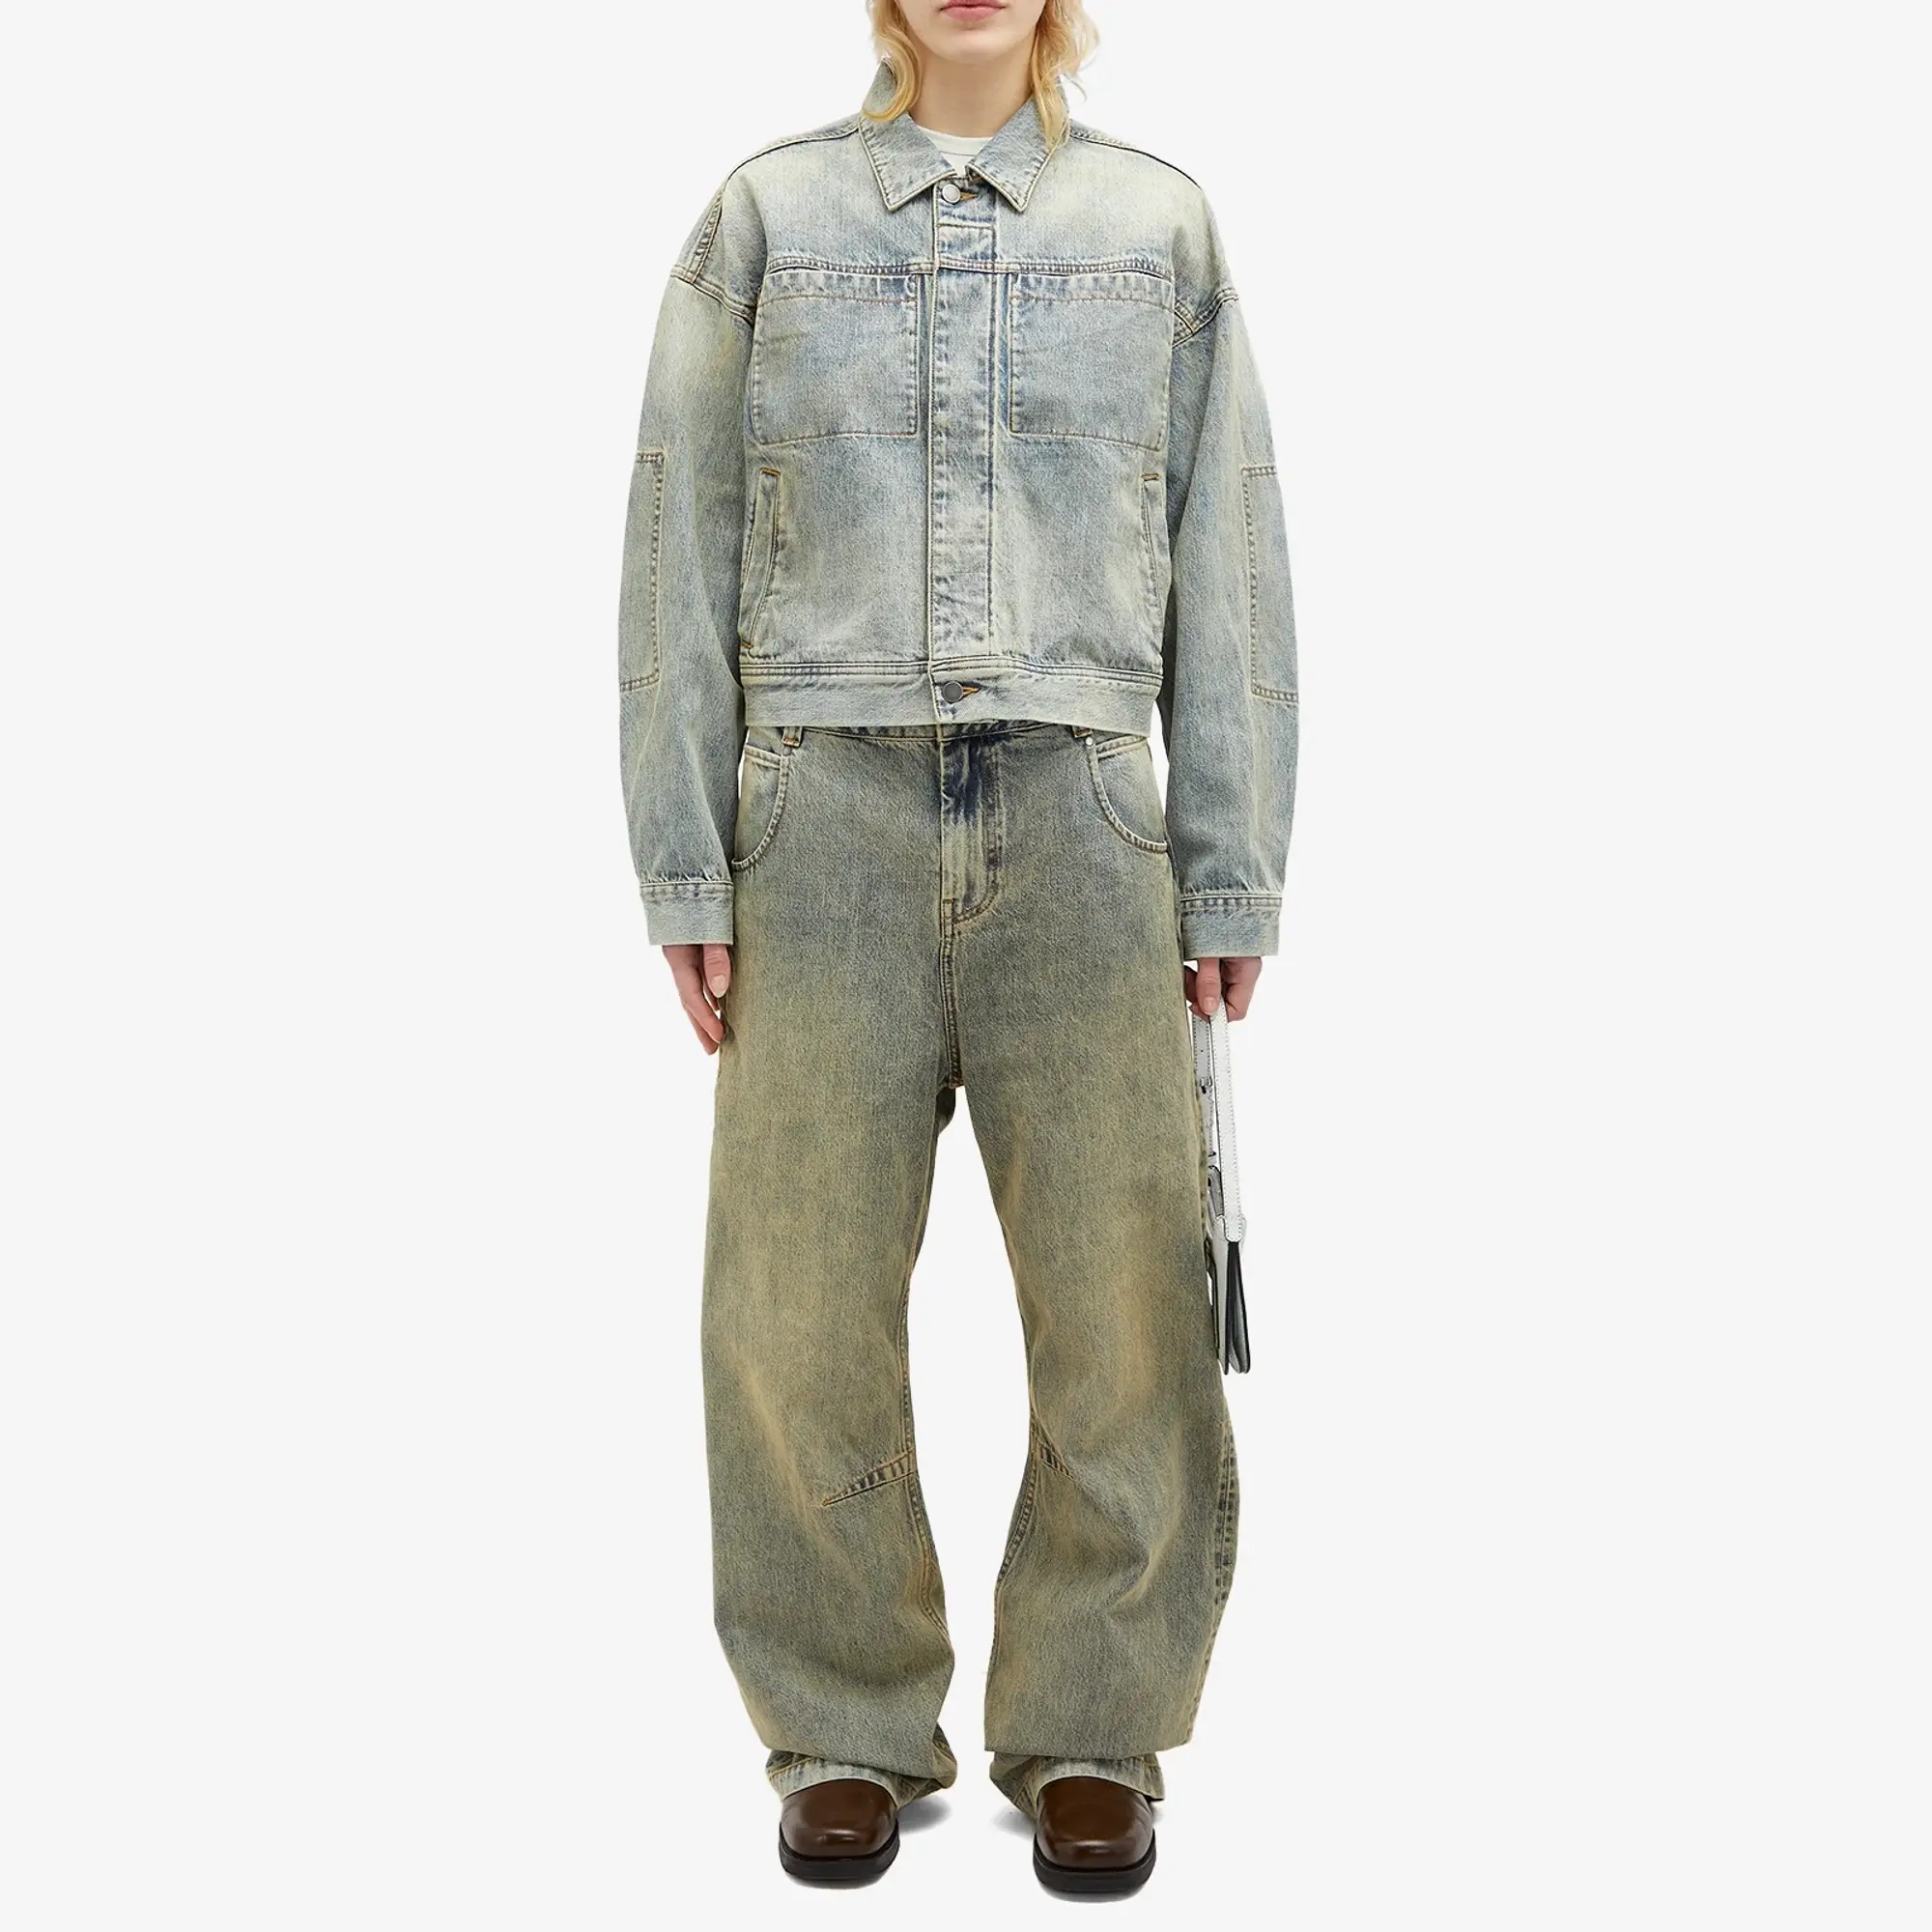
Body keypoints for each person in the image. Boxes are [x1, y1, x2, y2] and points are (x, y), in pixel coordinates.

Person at [615, 0, 1296, 1895]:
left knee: (1125, 1298)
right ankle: (843, 1722)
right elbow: (676, 541)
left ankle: (1092, 1722)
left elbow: (1229, 552)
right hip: (815, 811)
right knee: (795, 1300)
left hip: (1085, 817)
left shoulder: (1159, 228)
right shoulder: (763, 217)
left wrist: (1228, 868)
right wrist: (685, 862)